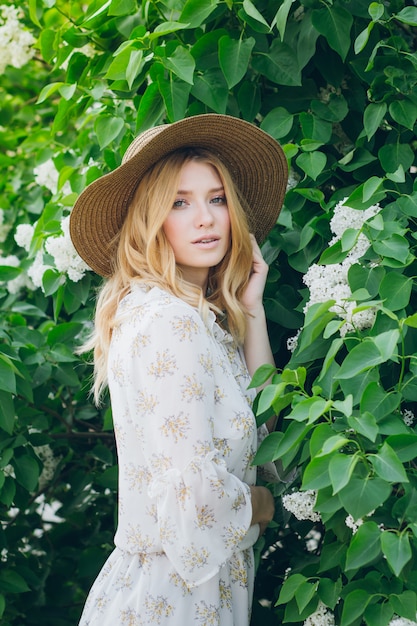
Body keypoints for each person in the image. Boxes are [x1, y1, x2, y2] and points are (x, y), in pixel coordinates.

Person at [69, 113, 288, 626]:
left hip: (193, 590)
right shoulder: (170, 322)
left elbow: (269, 431)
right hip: (177, 597)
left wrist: (251, 311)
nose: (206, 218)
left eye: (216, 199)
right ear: (151, 218)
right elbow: (196, 498)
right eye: (179, 203)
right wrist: (260, 504)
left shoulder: (195, 318)